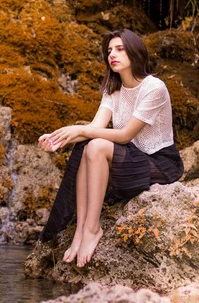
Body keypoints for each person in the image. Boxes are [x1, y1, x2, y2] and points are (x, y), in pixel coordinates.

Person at [37, 29, 184, 268]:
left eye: (119, 49)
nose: (112, 55)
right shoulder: (112, 89)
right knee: (88, 145)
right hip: (131, 158)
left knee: (94, 146)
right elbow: (96, 127)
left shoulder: (154, 88)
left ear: (135, 51)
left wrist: (78, 129)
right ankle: (82, 230)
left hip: (159, 163)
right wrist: (58, 138)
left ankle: (93, 228)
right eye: (109, 51)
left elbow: (125, 136)